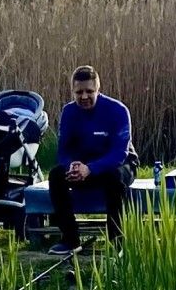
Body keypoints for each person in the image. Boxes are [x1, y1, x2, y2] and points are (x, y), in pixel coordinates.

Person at [48, 64, 138, 254]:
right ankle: (70, 240)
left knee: (115, 179)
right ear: (73, 91)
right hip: (84, 165)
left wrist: (91, 169)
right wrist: (72, 166)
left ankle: (117, 242)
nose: (84, 97)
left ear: (98, 89)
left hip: (118, 164)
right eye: (79, 92)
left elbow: (119, 153)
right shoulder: (69, 112)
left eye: (89, 91)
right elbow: (63, 151)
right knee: (56, 176)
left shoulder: (118, 111)